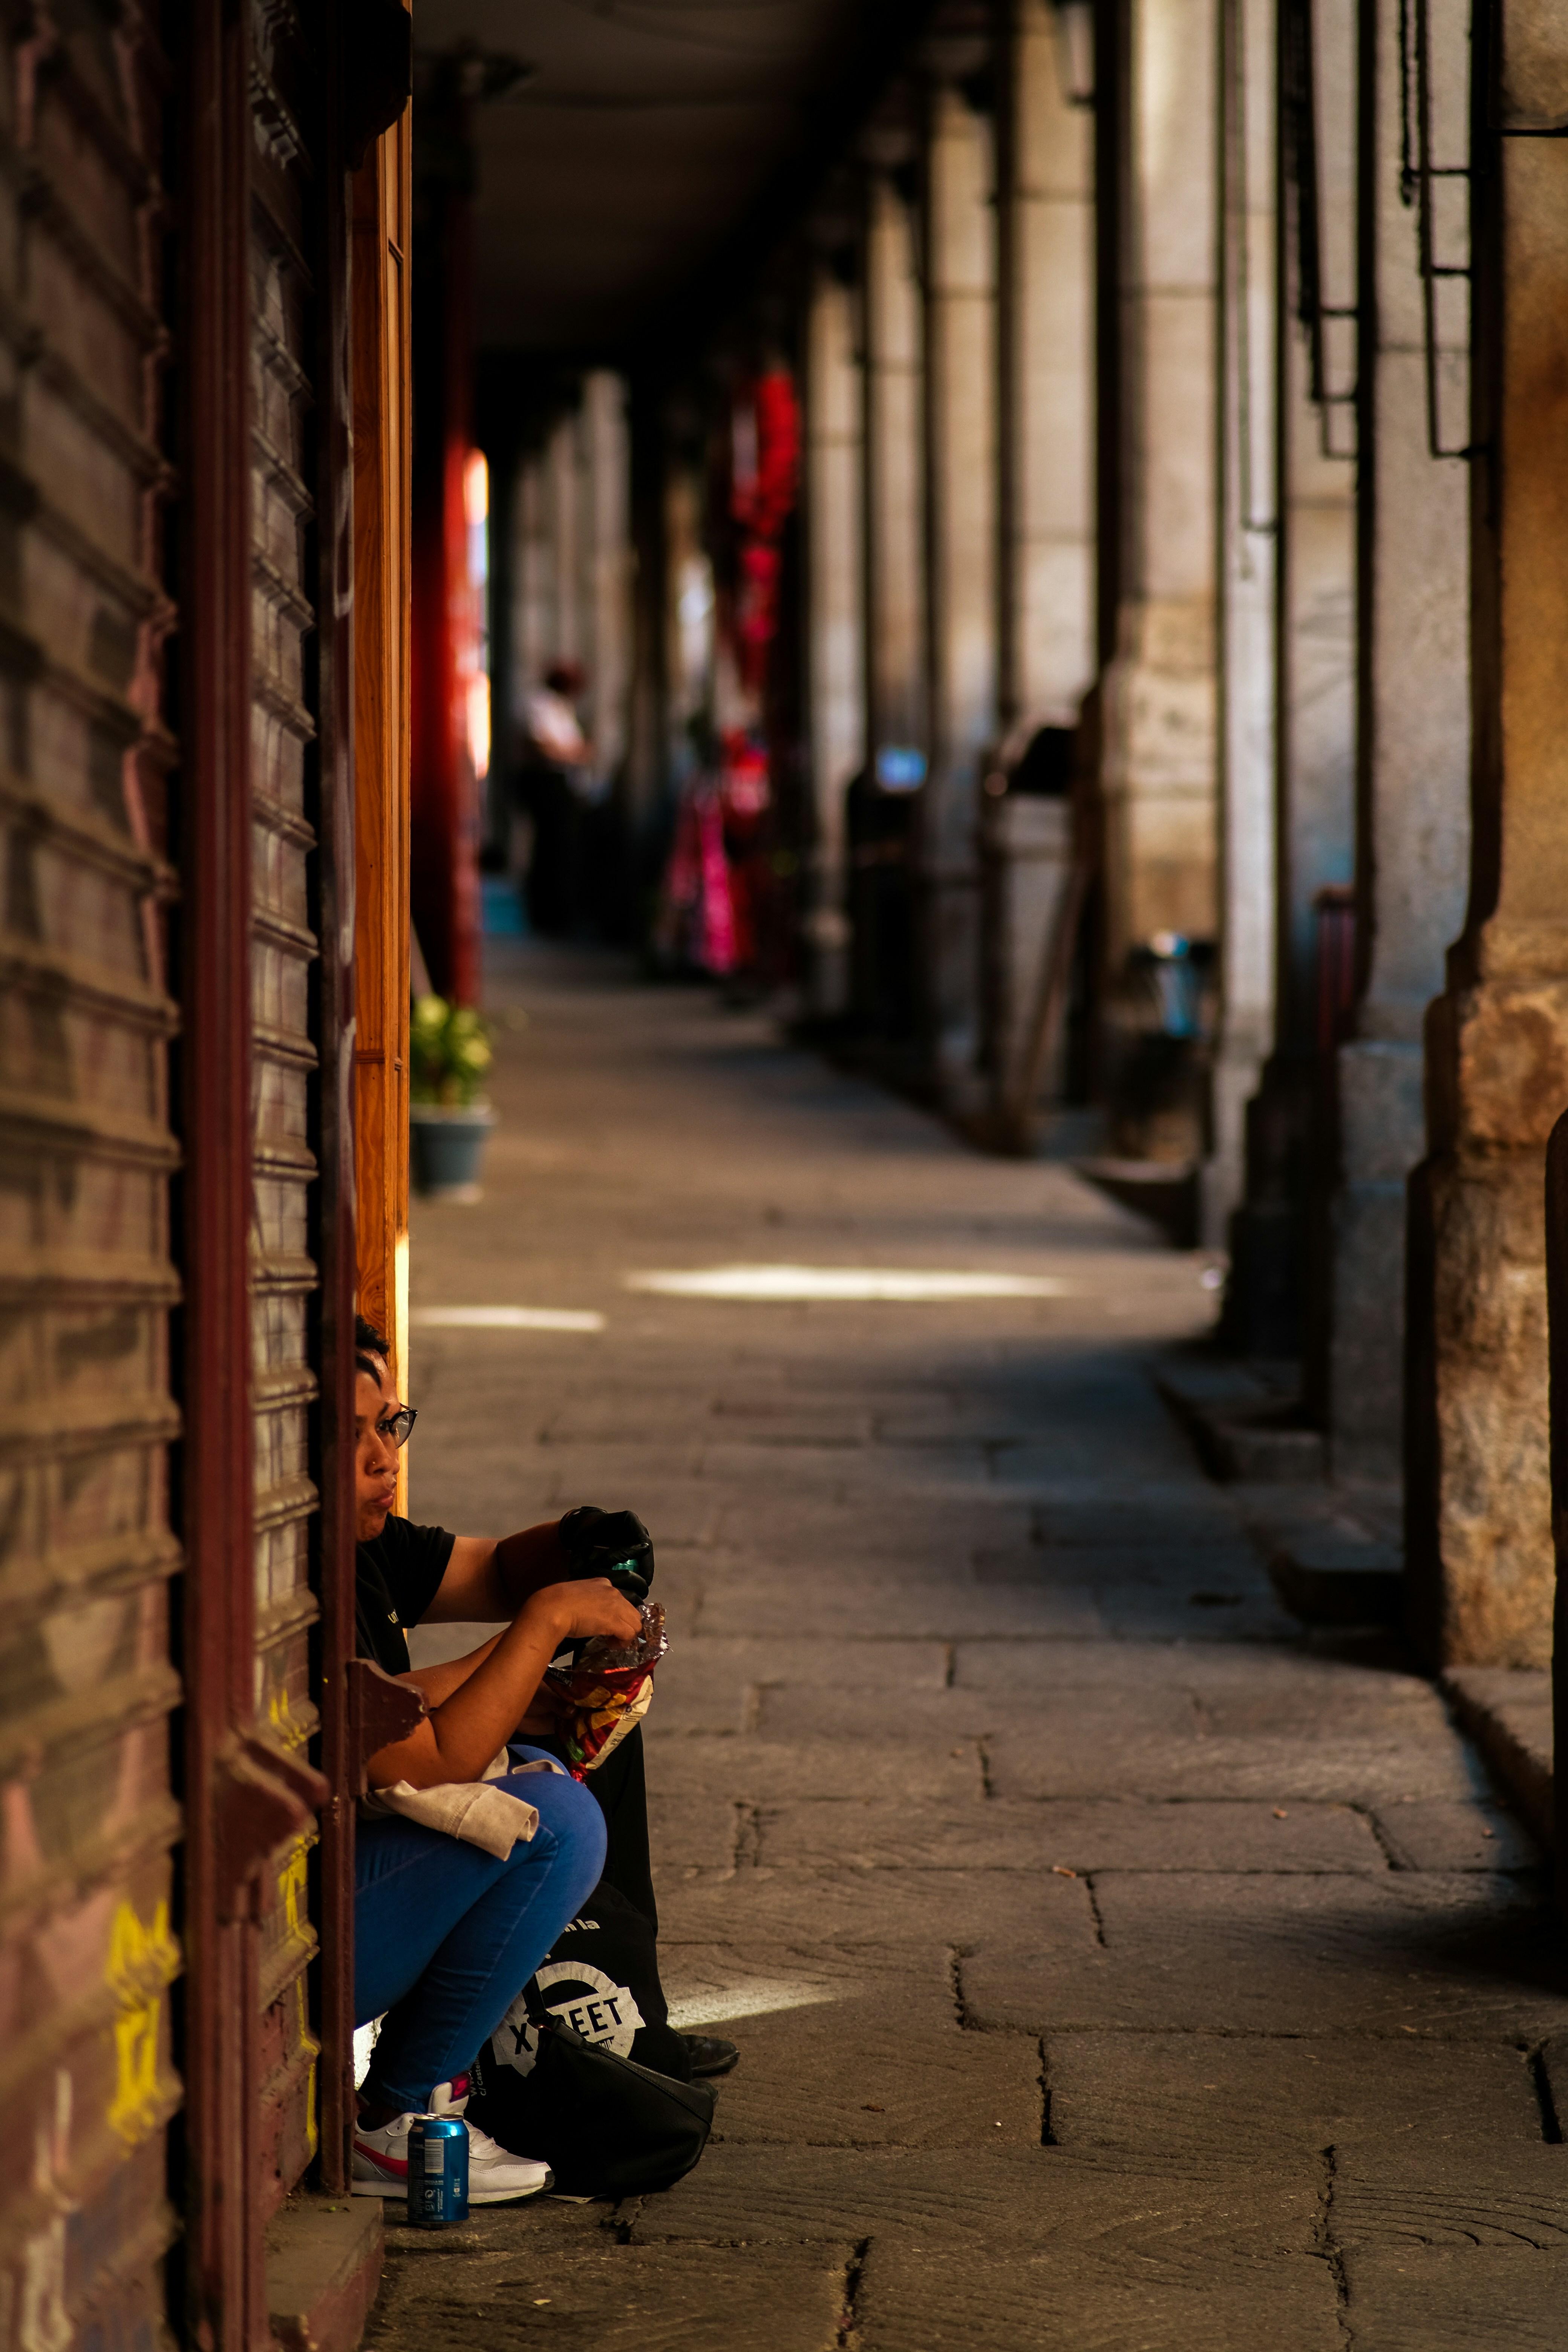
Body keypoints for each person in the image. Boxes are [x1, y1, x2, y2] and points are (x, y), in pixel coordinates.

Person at [351, 1326, 641, 2200]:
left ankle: (625, 2006)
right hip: (294, 1941)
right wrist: (545, 1626)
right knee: (553, 1827)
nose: (380, 1458)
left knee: (559, 1748)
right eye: (348, 1433)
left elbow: (488, 1570)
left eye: (390, 1425)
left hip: (348, 1886)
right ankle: (396, 2114)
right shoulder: (286, 1579)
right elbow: (432, 1759)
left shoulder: (364, 1545)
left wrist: (580, 1543)